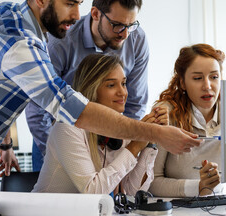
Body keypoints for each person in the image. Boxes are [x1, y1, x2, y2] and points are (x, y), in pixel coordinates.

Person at [0, 0, 199, 208]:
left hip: (94, 137)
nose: (76, 16)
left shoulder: (6, 14)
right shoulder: (29, 43)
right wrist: (151, 134)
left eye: (79, 4)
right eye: (70, 4)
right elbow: (67, 108)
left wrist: (137, 143)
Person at [26, 0, 150, 172]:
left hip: (109, 142)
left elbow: (135, 104)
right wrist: (60, 153)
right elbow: (38, 108)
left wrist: (120, 150)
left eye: (131, 25)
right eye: (117, 25)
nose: (125, 34)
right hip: (58, 139)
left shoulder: (137, 39)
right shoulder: (60, 41)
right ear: (95, 14)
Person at [33, 54, 166, 195]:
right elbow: (93, 192)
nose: (123, 92)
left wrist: (150, 142)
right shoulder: (66, 128)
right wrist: (133, 147)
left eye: (124, 83)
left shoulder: (119, 130)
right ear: (92, 89)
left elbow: (134, 191)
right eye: (111, 85)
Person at [149, 44, 224, 197]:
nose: (207, 86)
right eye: (197, 78)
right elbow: (150, 182)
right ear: (182, 83)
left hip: (224, 204)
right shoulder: (165, 114)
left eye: (214, 77)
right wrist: (198, 187)